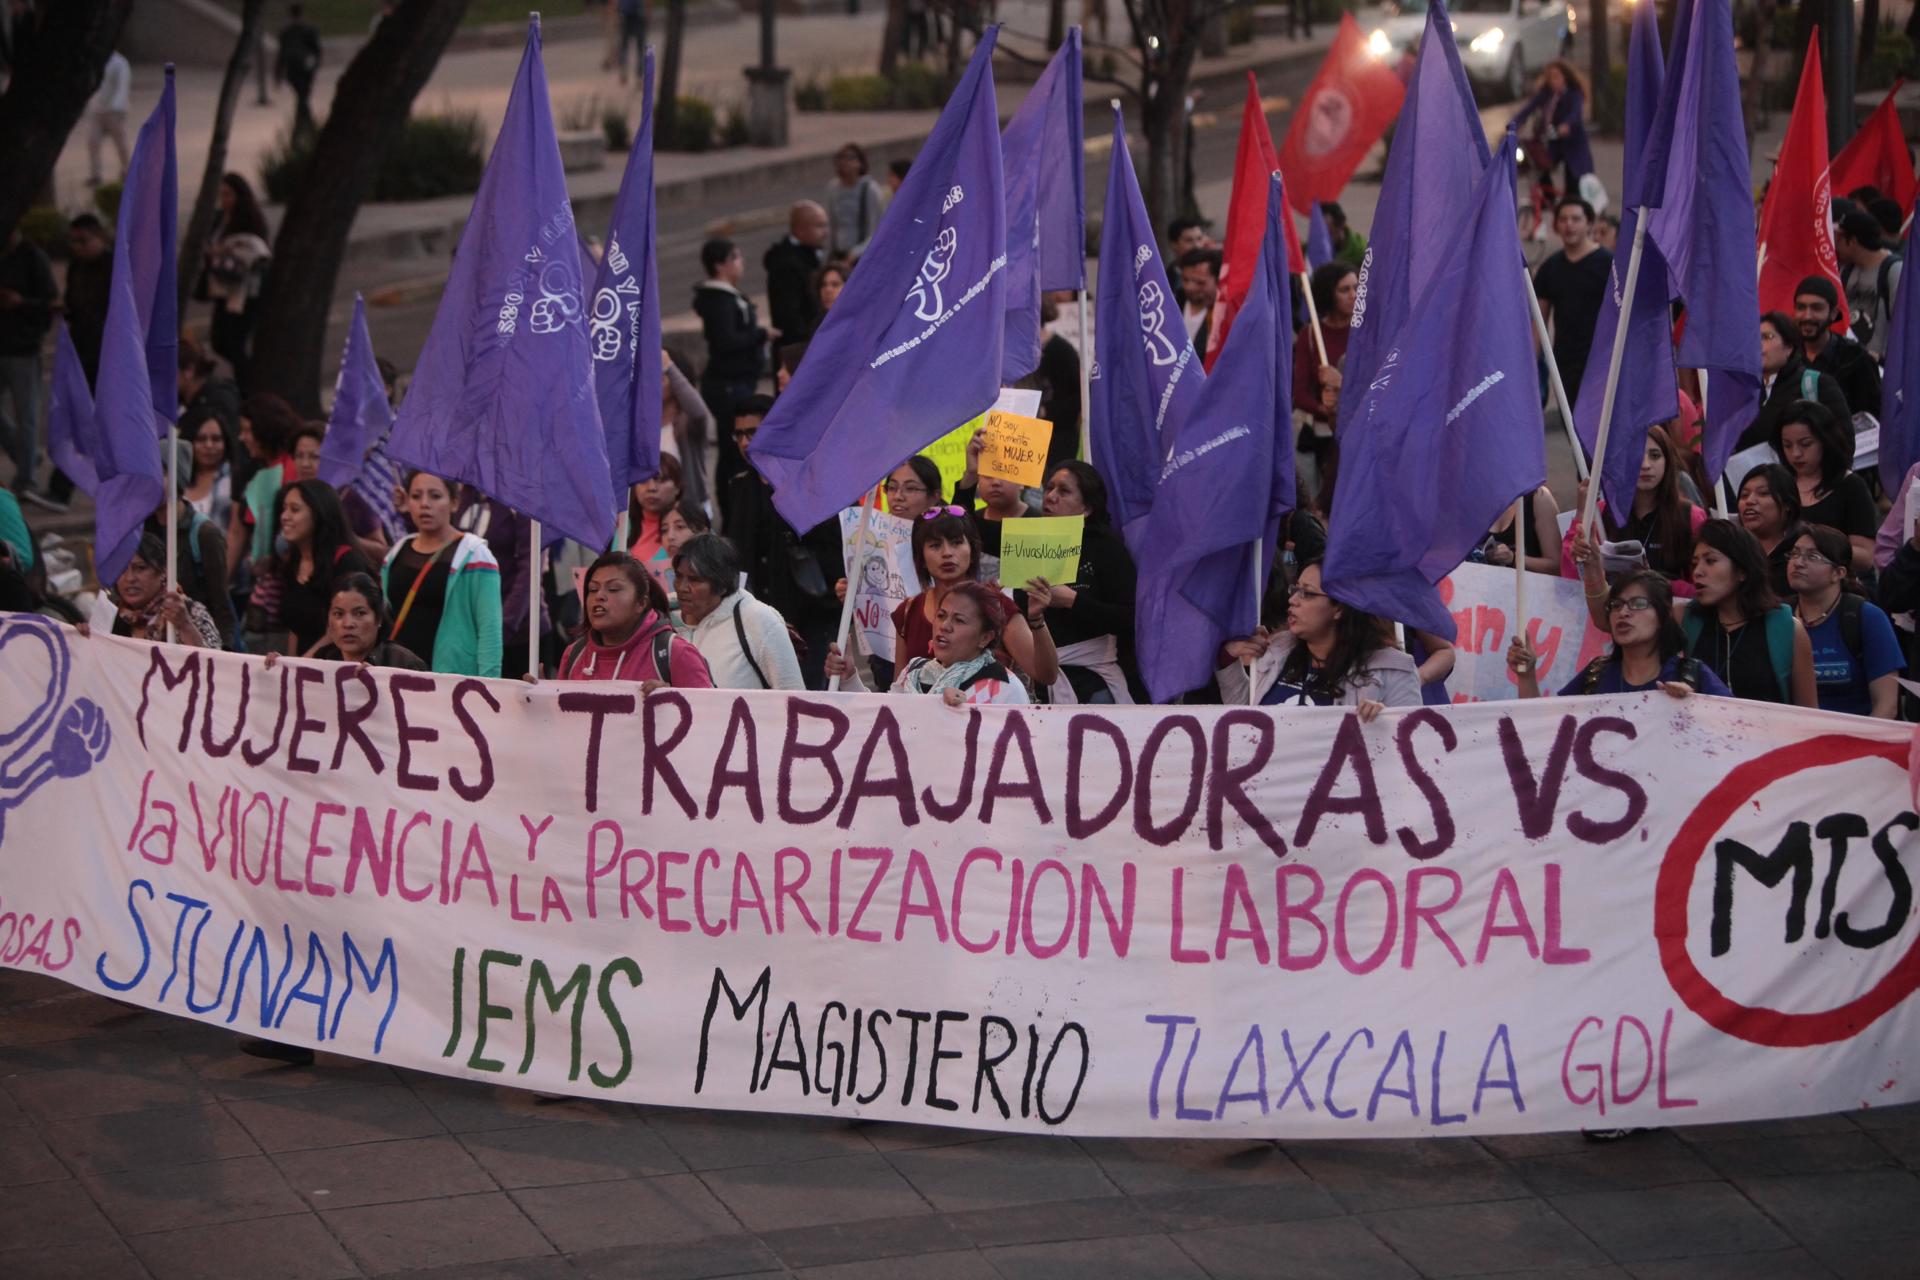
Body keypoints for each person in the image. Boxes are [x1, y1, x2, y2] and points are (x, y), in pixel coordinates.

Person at [1577, 517, 1814, 705]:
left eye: (1710, 561)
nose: (1698, 572)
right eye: (1694, 564)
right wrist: (1592, 570)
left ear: (1743, 570)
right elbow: (1607, 620)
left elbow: (1808, 718)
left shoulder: (1786, 628)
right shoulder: (1686, 617)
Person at [879, 506, 1058, 689]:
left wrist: (1036, 620)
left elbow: (1047, 675)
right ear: (921, 558)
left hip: (986, 715)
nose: (947, 553)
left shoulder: (997, 605)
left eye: (956, 542)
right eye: (935, 545)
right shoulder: (908, 610)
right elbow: (899, 687)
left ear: (972, 551)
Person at [1216, 561, 1421, 714]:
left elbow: (1413, 748)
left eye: (1307, 593)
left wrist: (1386, 723)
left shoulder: (1394, 669)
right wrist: (1228, 660)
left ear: (1339, 608)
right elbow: (1244, 719)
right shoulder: (1277, 649)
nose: (1293, 600)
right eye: (1295, 589)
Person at [1019, 462, 1140, 703]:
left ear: (1086, 508)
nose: (1051, 497)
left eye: (1063, 491)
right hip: (1039, 685)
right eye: (1049, 488)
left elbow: (1130, 617)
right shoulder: (1028, 543)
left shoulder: (1107, 549)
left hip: (1094, 688)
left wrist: (1071, 601)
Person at [1508, 570, 1727, 699]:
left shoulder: (1693, 675)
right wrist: (1526, 676)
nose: (1623, 612)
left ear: (1663, 615)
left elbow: (1741, 730)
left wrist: (1696, 707)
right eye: (1616, 604)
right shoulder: (1596, 675)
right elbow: (1543, 730)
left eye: (1637, 604)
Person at [830, 580, 1033, 705]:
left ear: (985, 638)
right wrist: (848, 677)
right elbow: (880, 721)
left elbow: (1011, 756)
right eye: (941, 615)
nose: (944, 626)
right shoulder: (913, 672)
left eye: (959, 620)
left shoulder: (1004, 687)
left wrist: (960, 714)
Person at [380, 472, 503, 678]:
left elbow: (489, 631)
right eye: (416, 496)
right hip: (397, 676)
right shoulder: (395, 553)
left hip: (451, 680)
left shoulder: (475, 555)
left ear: (454, 502)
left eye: (435, 496)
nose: (424, 504)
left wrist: (489, 684)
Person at [1560, 426, 1704, 589]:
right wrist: (1582, 514)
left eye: (1655, 456)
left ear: (1668, 461)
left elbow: (1704, 587)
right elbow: (1570, 578)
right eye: (1635, 455)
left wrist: (1653, 583)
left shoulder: (1691, 516)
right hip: (1616, 611)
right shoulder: (1601, 513)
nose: (1645, 465)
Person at [1784, 523, 1901, 718]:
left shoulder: (1866, 617)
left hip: (1856, 739)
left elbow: (1886, 705)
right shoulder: (1779, 617)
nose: (1798, 563)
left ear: (1838, 573)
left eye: (1812, 556)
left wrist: (1865, 747)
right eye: (1794, 554)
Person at [556, 552, 712, 688]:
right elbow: (559, 719)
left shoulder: (677, 653)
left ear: (641, 603)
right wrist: (540, 698)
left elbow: (712, 715)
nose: (599, 596)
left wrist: (671, 700)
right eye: (593, 589)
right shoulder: (573, 655)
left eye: (613, 589)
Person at [673, 534, 805, 689]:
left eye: (694, 580)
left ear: (722, 585)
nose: (681, 588)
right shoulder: (664, 617)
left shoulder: (758, 619)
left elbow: (794, 695)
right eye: (678, 576)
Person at [694, 237, 766, 508]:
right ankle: (731, 505)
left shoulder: (727, 297)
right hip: (728, 385)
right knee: (732, 449)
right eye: (736, 257)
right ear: (721, 264)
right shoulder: (720, 300)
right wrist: (759, 335)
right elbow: (727, 340)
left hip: (738, 381)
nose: (741, 262)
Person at [1770, 400, 1876, 573]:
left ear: (1825, 441)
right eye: (1787, 445)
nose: (1796, 453)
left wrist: (1816, 544)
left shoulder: (1850, 486)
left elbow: (1865, 557)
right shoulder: (1779, 483)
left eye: (1805, 444)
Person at [272, 480, 373, 656]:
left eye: (295, 510)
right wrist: (288, 665)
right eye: (284, 508)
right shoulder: (293, 562)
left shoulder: (347, 561)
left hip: (336, 667)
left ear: (318, 514)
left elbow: (341, 627)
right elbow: (295, 628)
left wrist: (301, 665)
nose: (284, 516)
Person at [1532, 197, 1611, 409]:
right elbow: (1539, 323)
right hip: (1566, 363)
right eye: (1564, 219)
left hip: (1604, 361)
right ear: (1556, 225)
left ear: (1589, 224)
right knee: (1574, 429)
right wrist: (1531, 365)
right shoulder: (1549, 269)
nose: (1569, 225)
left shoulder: (1609, 264)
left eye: (1576, 219)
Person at [1739, 312, 1851, 452]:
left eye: (1767, 337)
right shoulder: (1743, 391)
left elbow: (1843, 443)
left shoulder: (1818, 384)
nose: (1757, 344)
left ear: (1789, 347)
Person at [0, 228, 55, 507]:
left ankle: (26, 478)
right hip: (4, 343)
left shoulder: (33, 258)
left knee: (27, 415)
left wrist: (22, 303)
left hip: (23, 347)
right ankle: (26, 454)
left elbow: (51, 302)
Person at [200, 175, 272, 388]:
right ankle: (248, 377)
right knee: (219, 340)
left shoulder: (249, 220)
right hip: (223, 288)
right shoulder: (219, 219)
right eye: (221, 195)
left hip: (245, 291)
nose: (223, 200)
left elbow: (257, 254)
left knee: (234, 340)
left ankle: (248, 384)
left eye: (227, 195)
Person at [100, 534, 222, 649]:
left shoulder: (190, 612)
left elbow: (215, 665)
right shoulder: (109, 618)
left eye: (140, 568)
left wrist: (185, 626)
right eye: (121, 569)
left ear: (164, 571)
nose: (130, 578)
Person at [227, 392, 301, 581]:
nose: (242, 438)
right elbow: (236, 532)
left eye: (247, 430)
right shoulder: (246, 472)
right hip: (255, 579)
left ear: (265, 429)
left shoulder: (295, 468)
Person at [1793, 276, 1880, 420]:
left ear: (1833, 313)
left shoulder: (1856, 359)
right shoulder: (1786, 356)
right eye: (1801, 307)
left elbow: (1872, 419)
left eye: (1816, 308)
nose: (1807, 316)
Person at [310, 573, 427, 668]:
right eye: (338, 614)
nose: (348, 624)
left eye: (359, 613)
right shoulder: (322, 660)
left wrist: (378, 680)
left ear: (378, 618)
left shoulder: (404, 663)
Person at [1511, 60, 1595, 193]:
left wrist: (1566, 125)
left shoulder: (1574, 95)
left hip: (1572, 143)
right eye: (1550, 77)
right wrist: (1514, 125)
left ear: (1565, 77)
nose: (1552, 81)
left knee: (1573, 180)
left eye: (1556, 76)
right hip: (1552, 142)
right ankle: (1547, 198)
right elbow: (1528, 109)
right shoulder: (1546, 94)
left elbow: (1575, 114)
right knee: (1537, 164)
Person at [1294, 262, 1355, 431]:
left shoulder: (1367, 332)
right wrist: (1327, 409)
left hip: (1360, 430)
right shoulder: (1310, 335)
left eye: (1356, 287)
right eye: (1345, 290)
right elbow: (1300, 394)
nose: (1354, 295)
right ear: (1328, 294)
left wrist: (1341, 383)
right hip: (1321, 435)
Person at [1836, 210, 1903, 358]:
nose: (1836, 243)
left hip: (1880, 367)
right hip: (1848, 362)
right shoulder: (1846, 271)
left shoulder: (1893, 270)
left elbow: (1903, 322)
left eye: (1839, 238)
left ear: (1852, 241)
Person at [765, 201, 829, 344]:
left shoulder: (807, 255)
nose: (826, 232)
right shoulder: (786, 265)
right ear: (800, 230)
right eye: (819, 226)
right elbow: (790, 317)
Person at [1735, 463, 1802, 597]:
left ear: (1787, 504)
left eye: (1763, 493)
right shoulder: (1732, 551)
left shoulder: (1802, 550)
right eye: (1744, 495)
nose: (1750, 501)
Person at [660, 349, 716, 511]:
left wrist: (669, 366)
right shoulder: (643, 421)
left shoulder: (687, 423)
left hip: (689, 513)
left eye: (662, 377)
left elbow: (699, 413)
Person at [1035, 295, 1082, 469]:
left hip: (1058, 440)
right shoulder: (1015, 353)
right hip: (1027, 437)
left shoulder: (1062, 352)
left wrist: (1044, 410)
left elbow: (1080, 398)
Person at [1483, 484, 1563, 575]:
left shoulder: (1538, 496)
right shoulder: (1476, 501)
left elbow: (1558, 567)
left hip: (1533, 586)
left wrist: (1514, 559)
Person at [826, 143, 886, 259]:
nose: (844, 163)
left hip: (861, 254)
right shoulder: (833, 188)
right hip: (839, 252)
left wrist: (857, 252)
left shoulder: (870, 189)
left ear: (860, 163)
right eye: (840, 158)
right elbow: (831, 225)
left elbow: (876, 228)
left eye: (849, 158)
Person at [183, 411, 236, 533]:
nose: (209, 445)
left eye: (216, 439)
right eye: (201, 439)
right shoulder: (177, 479)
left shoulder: (234, 480)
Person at [275, 4, 323, 132]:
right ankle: (306, 124)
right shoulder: (309, 29)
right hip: (305, 68)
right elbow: (317, 50)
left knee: (302, 96)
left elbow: (281, 55)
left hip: (293, 68)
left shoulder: (286, 32)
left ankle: (302, 124)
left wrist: (278, 75)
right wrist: (316, 65)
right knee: (303, 96)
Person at [1178, 247, 1220, 348]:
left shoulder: (1223, 314)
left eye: (1199, 282)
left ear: (1217, 281)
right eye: (1185, 280)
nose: (1189, 288)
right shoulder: (1171, 302)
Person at [1321, 203, 1366, 269]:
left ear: (1341, 225)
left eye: (1330, 232)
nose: (1326, 238)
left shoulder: (1361, 250)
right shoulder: (1312, 250)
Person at [612, 0, 646, 84]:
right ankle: (639, 75)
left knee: (624, 46)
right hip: (638, 13)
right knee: (639, 48)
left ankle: (624, 71)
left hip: (625, 14)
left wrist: (616, 13)